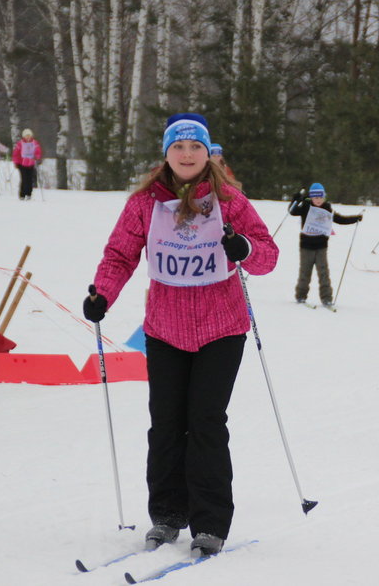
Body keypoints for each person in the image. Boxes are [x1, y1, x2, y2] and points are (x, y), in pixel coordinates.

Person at [84, 113, 278, 557]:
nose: (187, 155)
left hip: (221, 328)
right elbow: (119, 254)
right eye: (178, 147)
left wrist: (243, 249)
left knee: (206, 422)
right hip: (166, 329)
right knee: (167, 424)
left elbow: (267, 255)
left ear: (207, 153)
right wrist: (102, 294)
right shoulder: (144, 203)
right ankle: (168, 515)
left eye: (195, 147)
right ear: (166, 154)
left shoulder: (229, 200)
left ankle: (210, 523)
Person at [288, 182, 363, 308]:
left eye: (320, 197)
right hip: (306, 246)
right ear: (311, 197)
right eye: (315, 197)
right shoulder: (306, 206)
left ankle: (327, 298)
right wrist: (295, 199)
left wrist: (354, 219)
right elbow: (292, 211)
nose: (318, 200)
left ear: (324, 197)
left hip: (321, 247)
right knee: (305, 273)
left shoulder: (327, 208)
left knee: (323, 273)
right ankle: (301, 296)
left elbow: (339, 219)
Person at [13, 128, 42, 200]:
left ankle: (29, 193)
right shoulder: (20, 143)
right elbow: (15, 154)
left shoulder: (35, 143)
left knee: (30, 179)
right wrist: (16, 162)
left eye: (29, 135)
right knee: (24, 179)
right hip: (22, 164)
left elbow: (38, 151)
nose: (28, 137)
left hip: (31, 163)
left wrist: (37, 157)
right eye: (26, 136)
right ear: (24, 136)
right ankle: (22, 194)